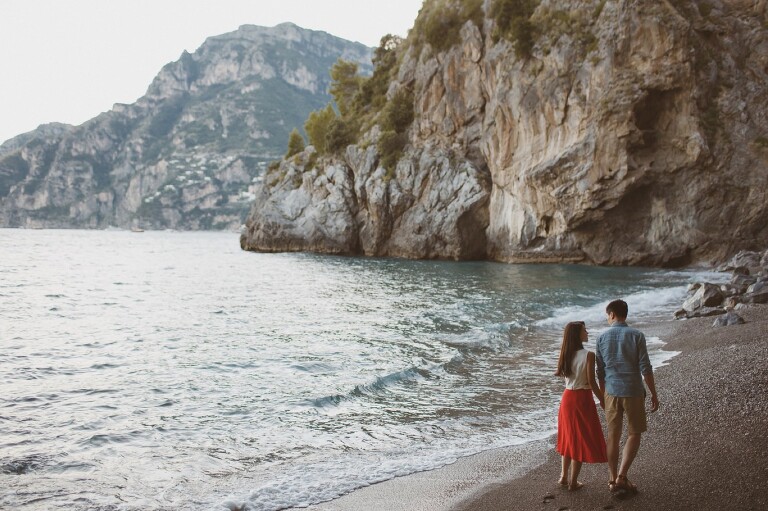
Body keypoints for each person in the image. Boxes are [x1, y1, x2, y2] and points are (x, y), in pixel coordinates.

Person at [596, 299, 659, 494]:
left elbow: (600, 371)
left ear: (612, 314)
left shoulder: (601, 338)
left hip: (611, 392)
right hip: (632, 391)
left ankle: (612, 478)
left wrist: (602, 395)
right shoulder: (636, 335)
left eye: (608, 315)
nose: (607, 319)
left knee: (612, 436)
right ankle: (622, 476)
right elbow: (645, 367)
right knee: (634, 433)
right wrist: (653, 393)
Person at [555, 321, 607, 491]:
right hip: (582, 399)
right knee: (579, 439)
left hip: (567, 398)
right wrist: (603, 401)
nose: (587, 332)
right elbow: (592, 382)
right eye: (585, 330)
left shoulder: (565, 354)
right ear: (578, 335)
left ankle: (563, 477)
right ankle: (573, 482)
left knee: (568, 438)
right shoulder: (589, 355)